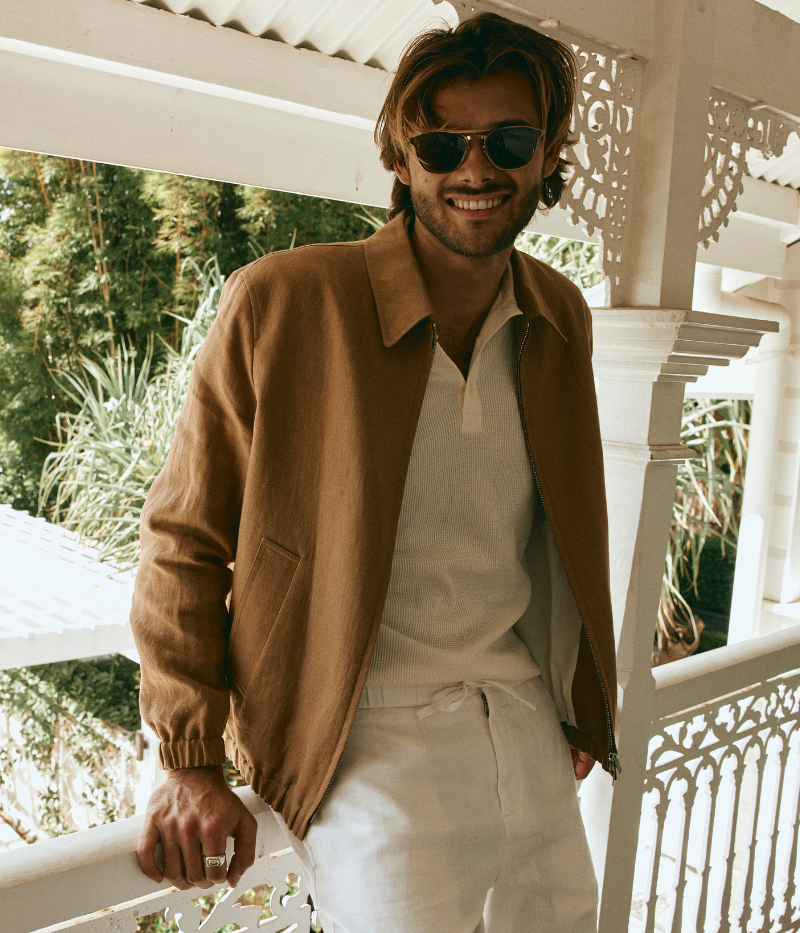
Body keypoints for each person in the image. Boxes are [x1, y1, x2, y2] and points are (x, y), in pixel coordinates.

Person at [132, 12, 619, 933]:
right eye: (442, 144)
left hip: (525, 721)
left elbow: (569, 528)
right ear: (401, 158)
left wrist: (578, 705)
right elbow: (184, 537)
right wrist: (190, 760)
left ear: (548, 153)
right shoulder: (286, 300)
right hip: (366, 736)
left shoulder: (558, 314)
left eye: (509, 141)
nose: (475, 170)